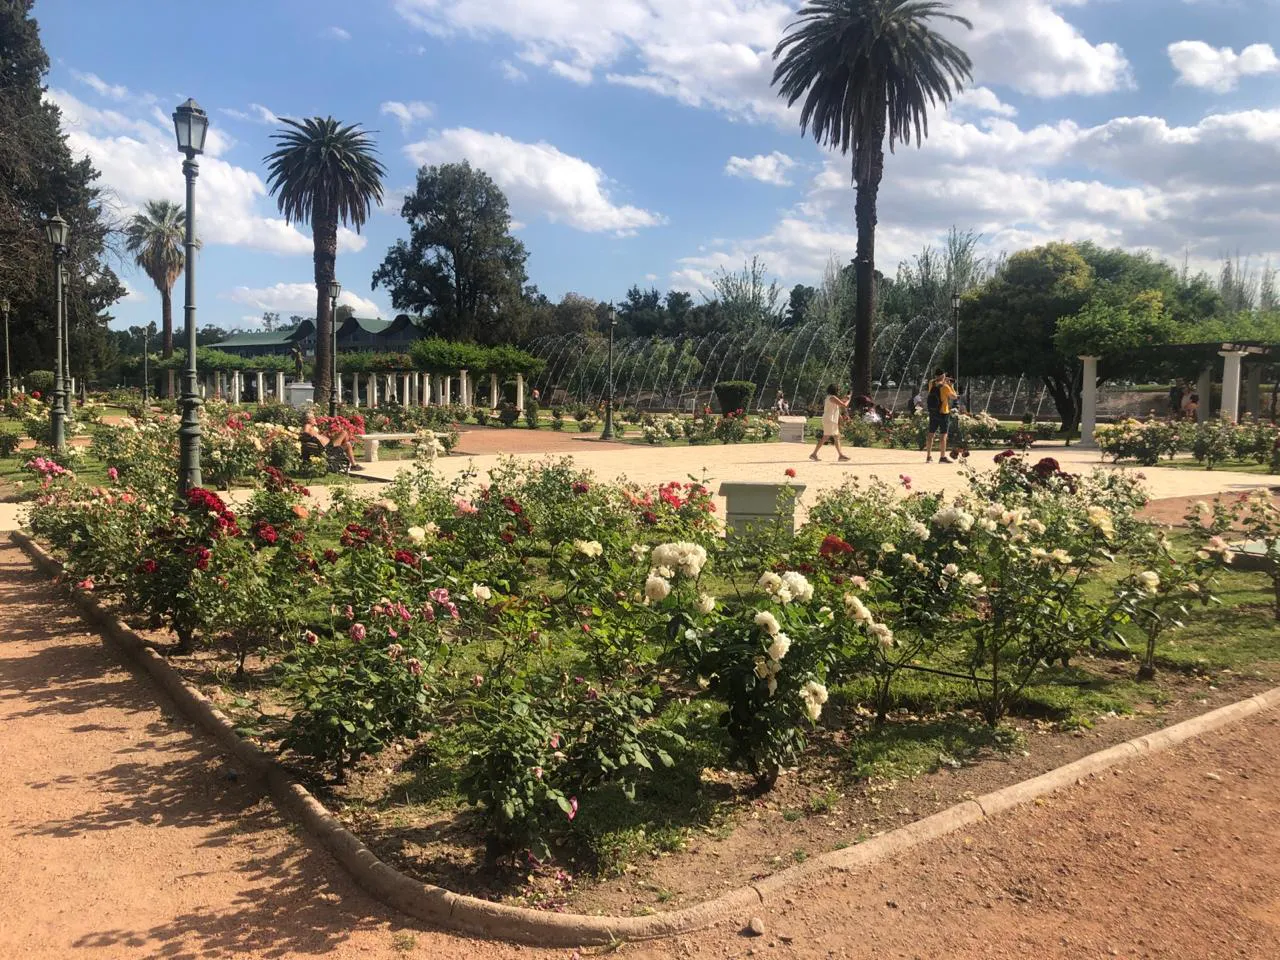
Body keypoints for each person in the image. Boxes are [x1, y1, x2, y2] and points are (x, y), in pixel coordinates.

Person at [809, 384, 851, 462]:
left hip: (831, 419)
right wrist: (849, 399)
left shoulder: (831, 397)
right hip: (829, 420)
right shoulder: (832, 397)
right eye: (838, 389)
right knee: (826, 437)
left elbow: (839, 404)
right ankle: (814, 454)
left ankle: (840, 455)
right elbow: (844, 405)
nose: (839, 390)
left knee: (836, 436)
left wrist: (846, 398)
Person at [924, 368, 957, 464]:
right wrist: (951, 386)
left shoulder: (931, 383)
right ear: (942, 375)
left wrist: (943, 380)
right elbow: (954, 397)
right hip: (943, 412)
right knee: (943, 436)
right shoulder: (946, 387)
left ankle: (928, 457)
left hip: (933, 412)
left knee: (931, 434)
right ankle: (942, 457)